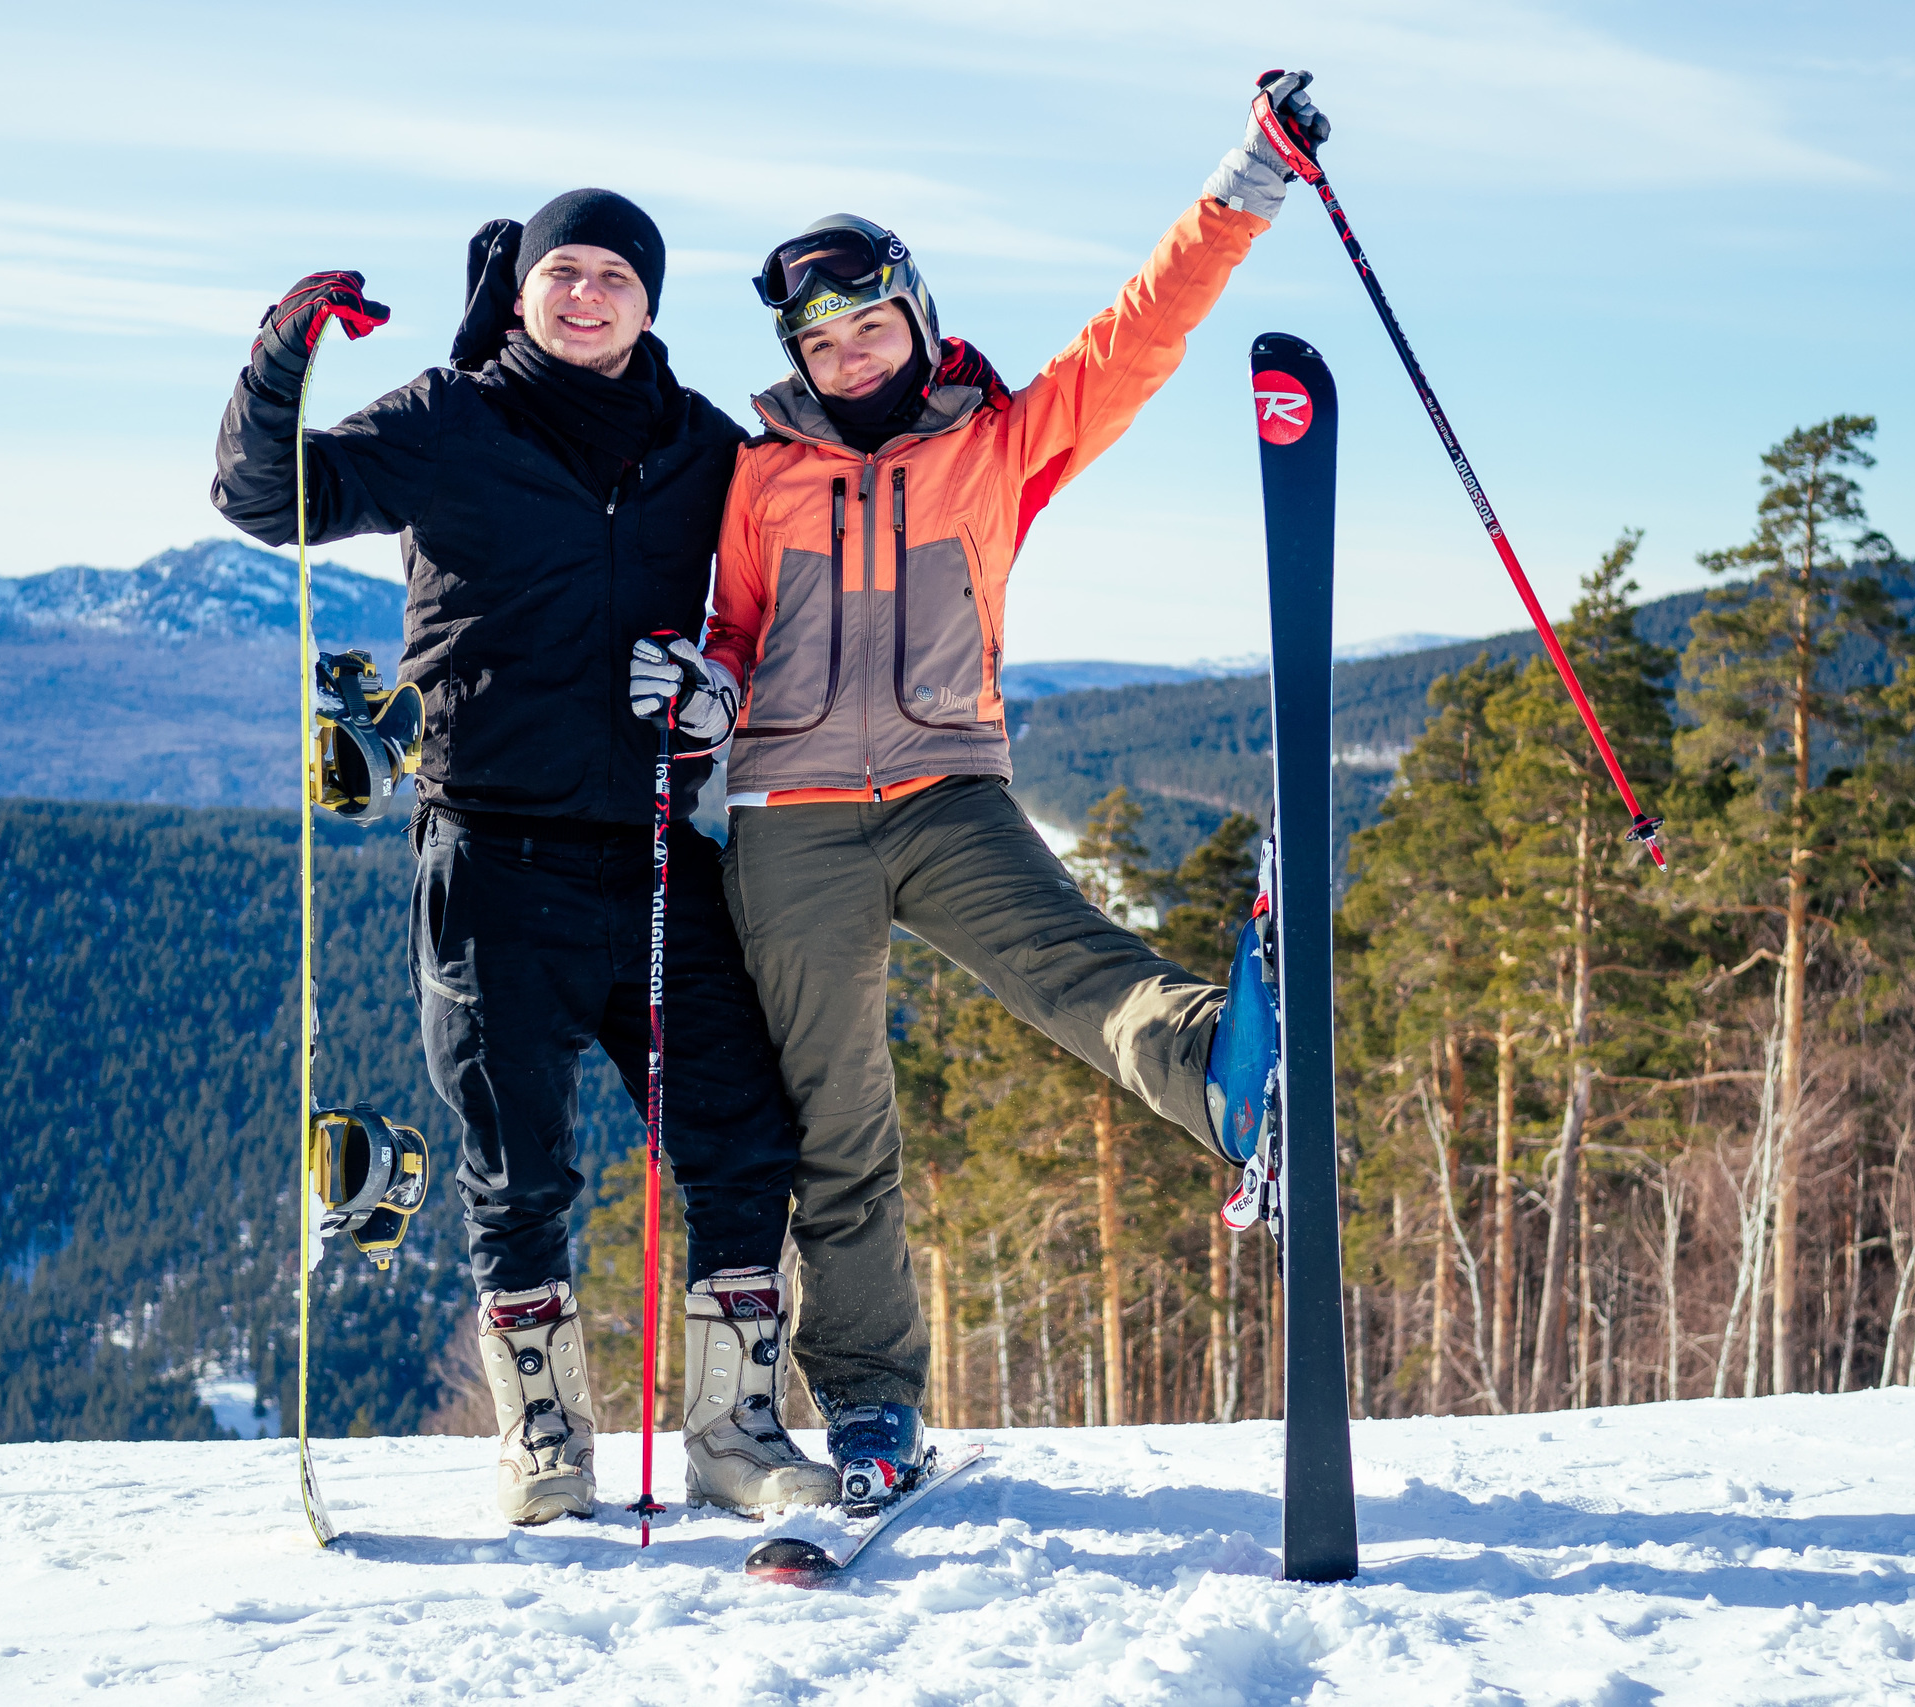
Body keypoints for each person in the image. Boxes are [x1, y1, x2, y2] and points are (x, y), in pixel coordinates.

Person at [700, 73, 1332, 1503]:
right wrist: (708, 688)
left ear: (917, 318)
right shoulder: (758, 476)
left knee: (1075, 970)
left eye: (874, 324)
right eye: (827, 338)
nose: (856, 355)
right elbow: (730, 629)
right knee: (837, 1124)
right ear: (799, 352)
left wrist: (1248, 180)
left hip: (945, 794)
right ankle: (869, 1406)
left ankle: (1230, 1087)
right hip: (791, 824)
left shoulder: (995, 442)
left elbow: (1139, 334)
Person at [210, 189, 835, 1525]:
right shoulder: (452, 421)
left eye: (617, 273)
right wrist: (282, 352)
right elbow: (266, 499)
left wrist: (722, 689)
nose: (588, 294)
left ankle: (736, 1430)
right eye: (567, 269)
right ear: (527, 286)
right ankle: (545, 1435)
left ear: (652, 301)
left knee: (739, 1133)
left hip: (663, 855)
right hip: (491, 854)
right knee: (518, 1163)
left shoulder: (707, 453)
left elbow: (784, 609)